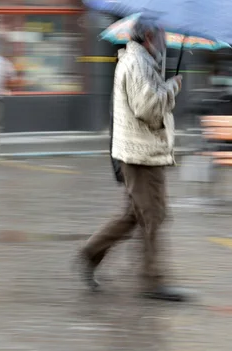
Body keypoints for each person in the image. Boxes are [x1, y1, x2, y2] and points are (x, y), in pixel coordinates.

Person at [76, 18, 189, 302]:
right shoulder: (137, 64)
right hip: (141, 155)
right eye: (162, 34)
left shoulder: (141, 62)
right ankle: (153, 281)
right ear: (149, 36)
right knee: (153, 216)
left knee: (135, 215)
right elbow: (148, 109)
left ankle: (90, 253)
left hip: (142, 152)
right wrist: (171, 88)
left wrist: (163, 85)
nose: (165, 40)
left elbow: (148, 100)